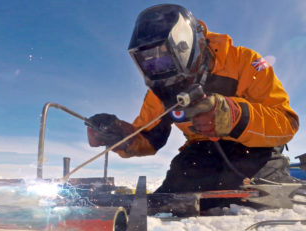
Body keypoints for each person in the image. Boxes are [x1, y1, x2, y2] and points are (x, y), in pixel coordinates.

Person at [86, 4, 299, 193]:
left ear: (187, 45)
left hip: (255, 150)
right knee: (169, 201)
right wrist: (121, 136)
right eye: (150, 63)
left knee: (259, 197)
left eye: (165, 58)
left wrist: (235, 116)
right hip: (201, 154)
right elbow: (150, 137)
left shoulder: (245, 62)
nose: (160, 68)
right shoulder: (159, 91)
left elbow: (286, 124)